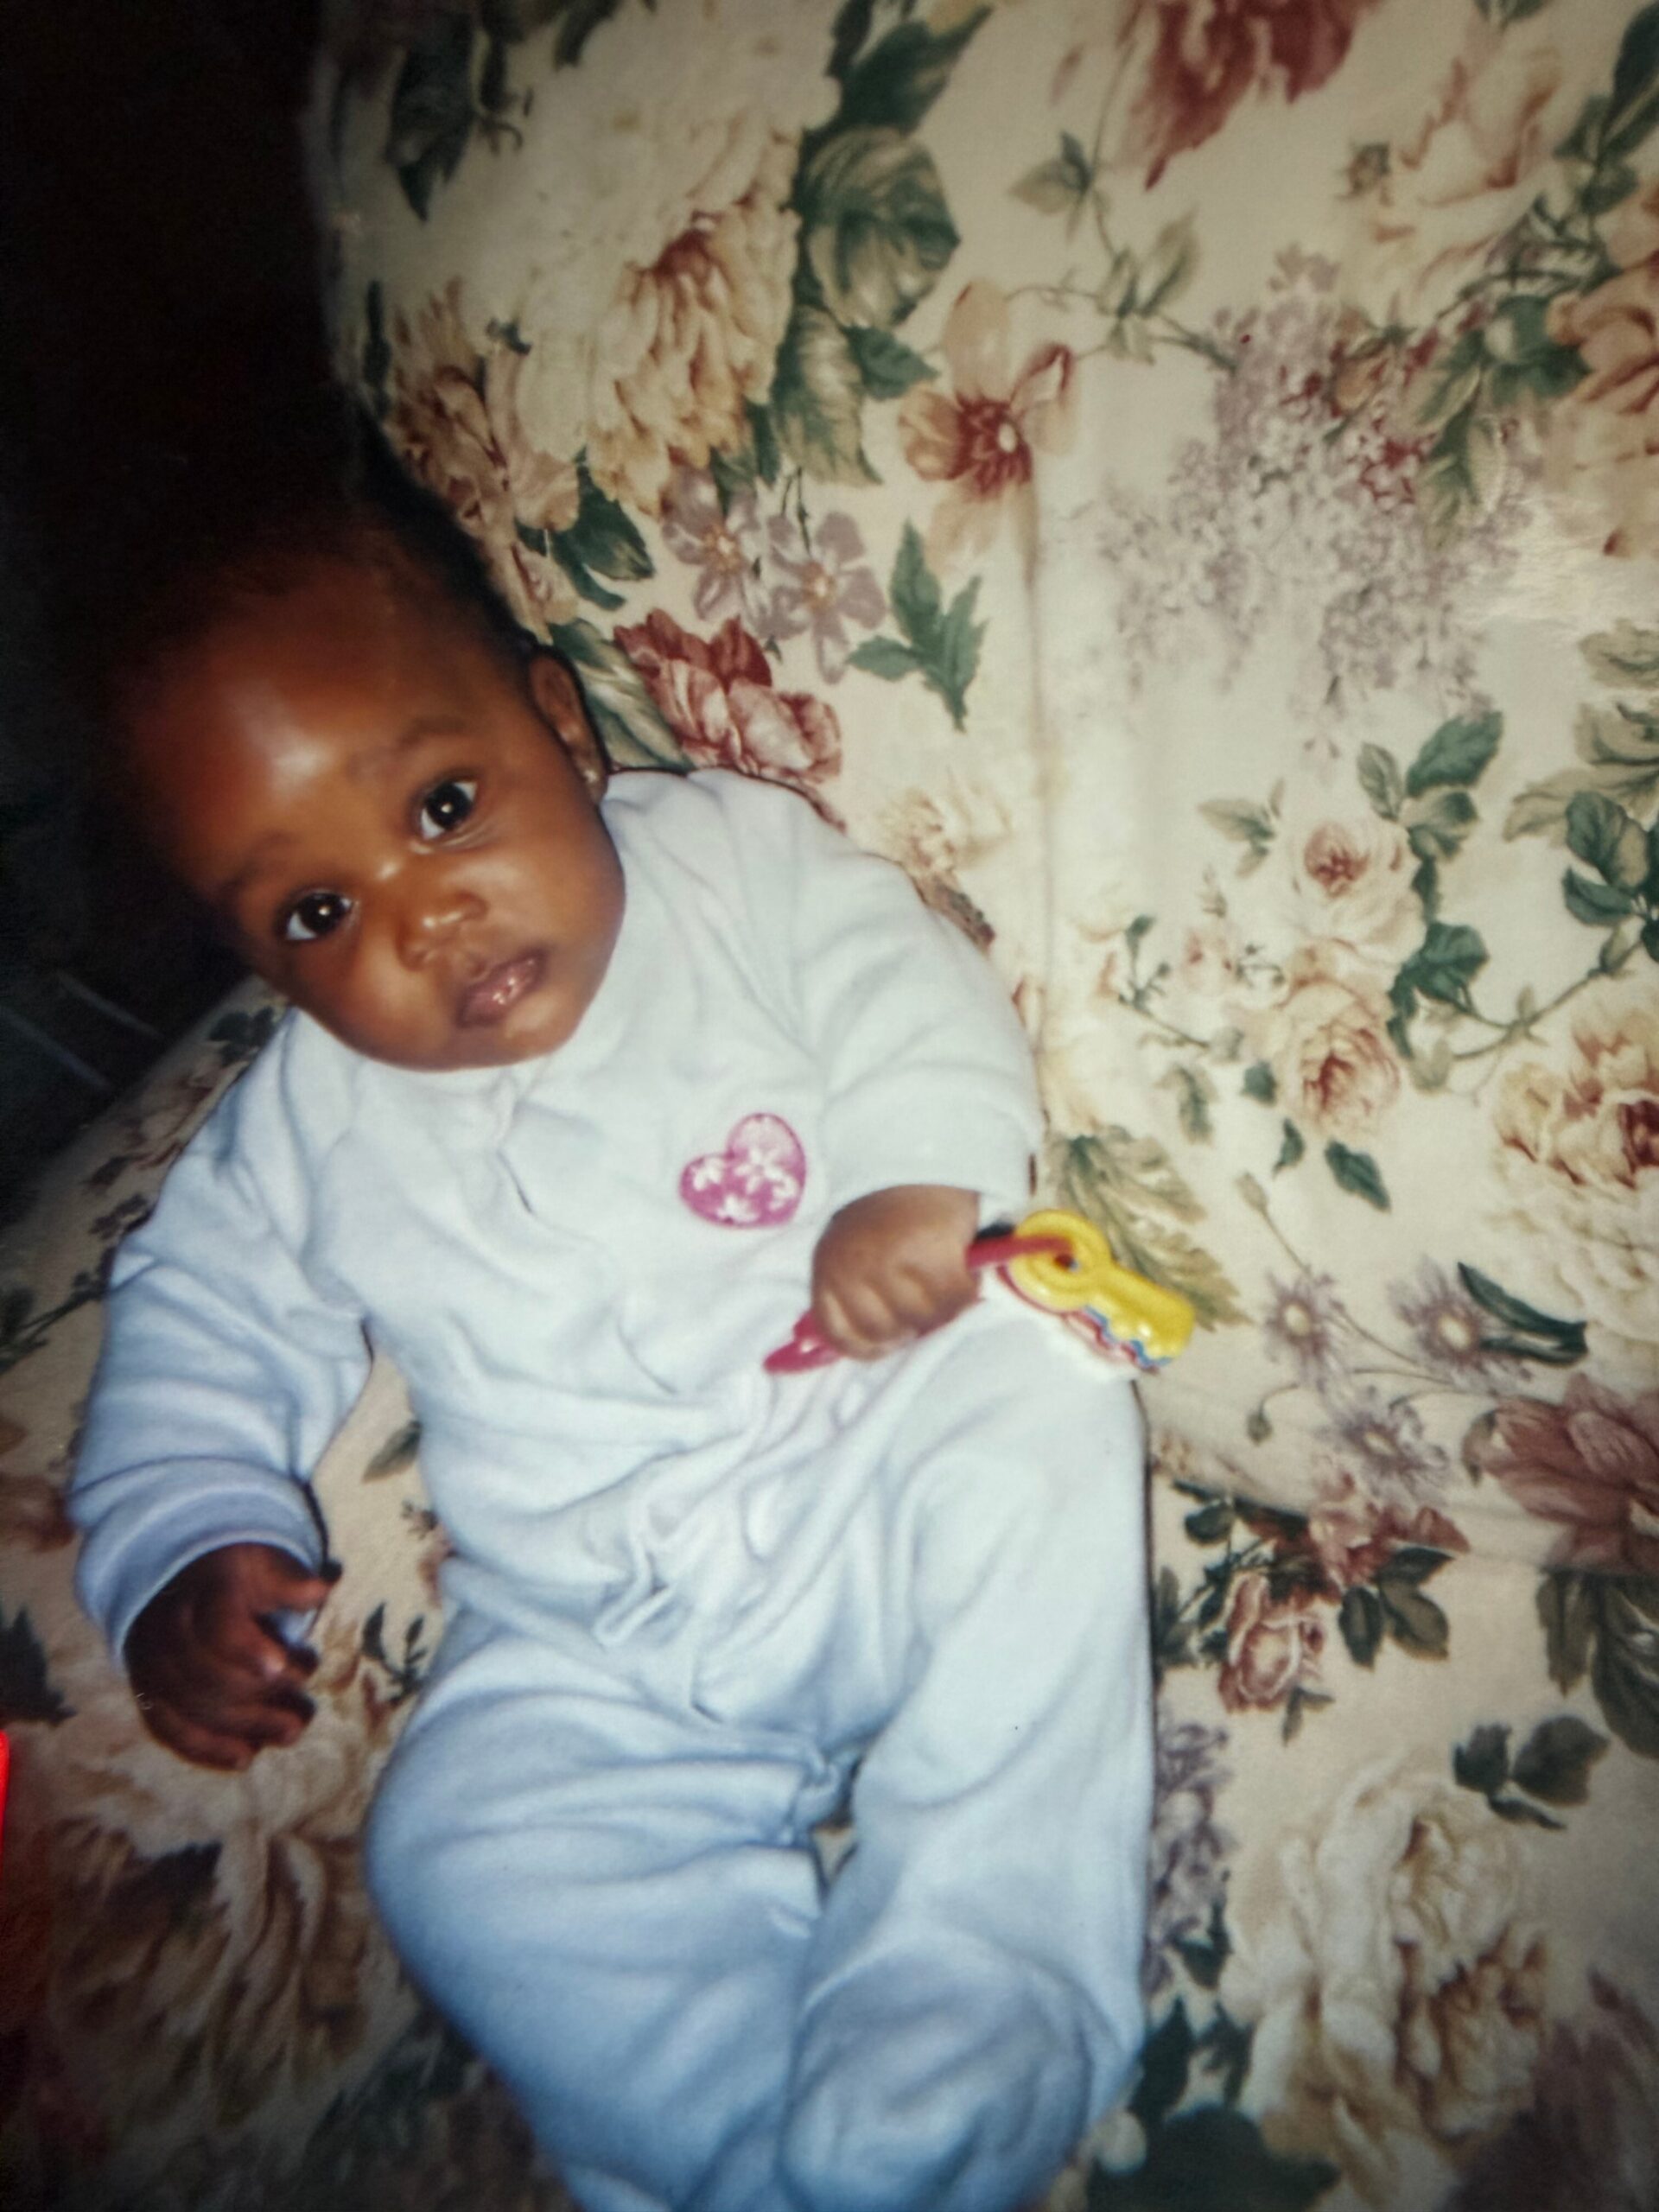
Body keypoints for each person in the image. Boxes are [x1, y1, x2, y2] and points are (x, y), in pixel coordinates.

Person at [67, 429, 1152, 2212]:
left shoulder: (727, 870)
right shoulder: (305, 1125)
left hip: (862, 1461)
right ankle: (768, 2147)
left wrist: (912, 1177)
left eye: (444, 807)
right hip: (596, 1636)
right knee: (460, 1846)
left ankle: (983, 1980)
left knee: (1040, 1404)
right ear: (265, 969)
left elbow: (896, 975)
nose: (428, 915)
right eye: (319, 911)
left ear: (559, 729)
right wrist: (181, 1533)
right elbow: (196, 1309)